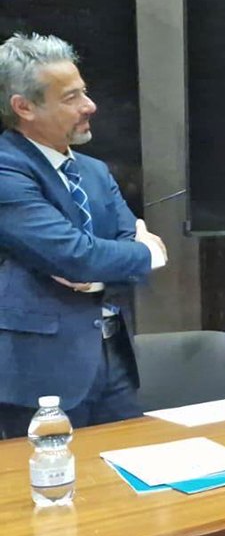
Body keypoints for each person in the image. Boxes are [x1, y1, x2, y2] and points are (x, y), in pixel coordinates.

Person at [0, 33, 168, 439]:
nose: (89, 106)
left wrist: (99, 272)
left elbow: (123, 254)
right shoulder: (7, 170)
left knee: (128, 466)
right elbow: (76, 255)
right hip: (41, 370)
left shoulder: (95, 171)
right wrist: (139, 254)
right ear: (24, 107)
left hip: (114, 359)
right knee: (50, 476)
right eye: (71, 97)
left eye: (84, 92)